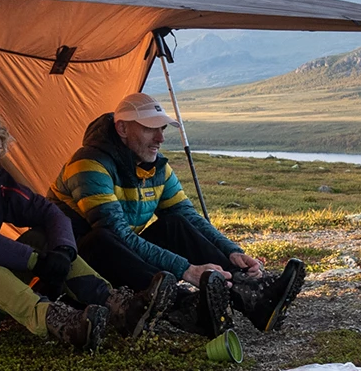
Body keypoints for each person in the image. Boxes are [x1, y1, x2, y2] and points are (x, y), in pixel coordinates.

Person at [0, 107, 174, 352]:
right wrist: (36, 261)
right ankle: (57, 321)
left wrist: (61, 250)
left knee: (45, 238)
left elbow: (49, 212)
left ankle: (118, 306)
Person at [51, 92, 306, 336]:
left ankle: (250, 294)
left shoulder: (156, 167)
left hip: (119, 257)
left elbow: (189, 216)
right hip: (75, 267)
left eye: (162, 129)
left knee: (175, 223)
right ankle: (186, 307)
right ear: (122, 129)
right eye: (150, 128)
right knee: (102, 239)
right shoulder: (88, 164)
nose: (160, 138)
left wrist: (232, 251)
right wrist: (186, 270)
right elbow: (116, 233)